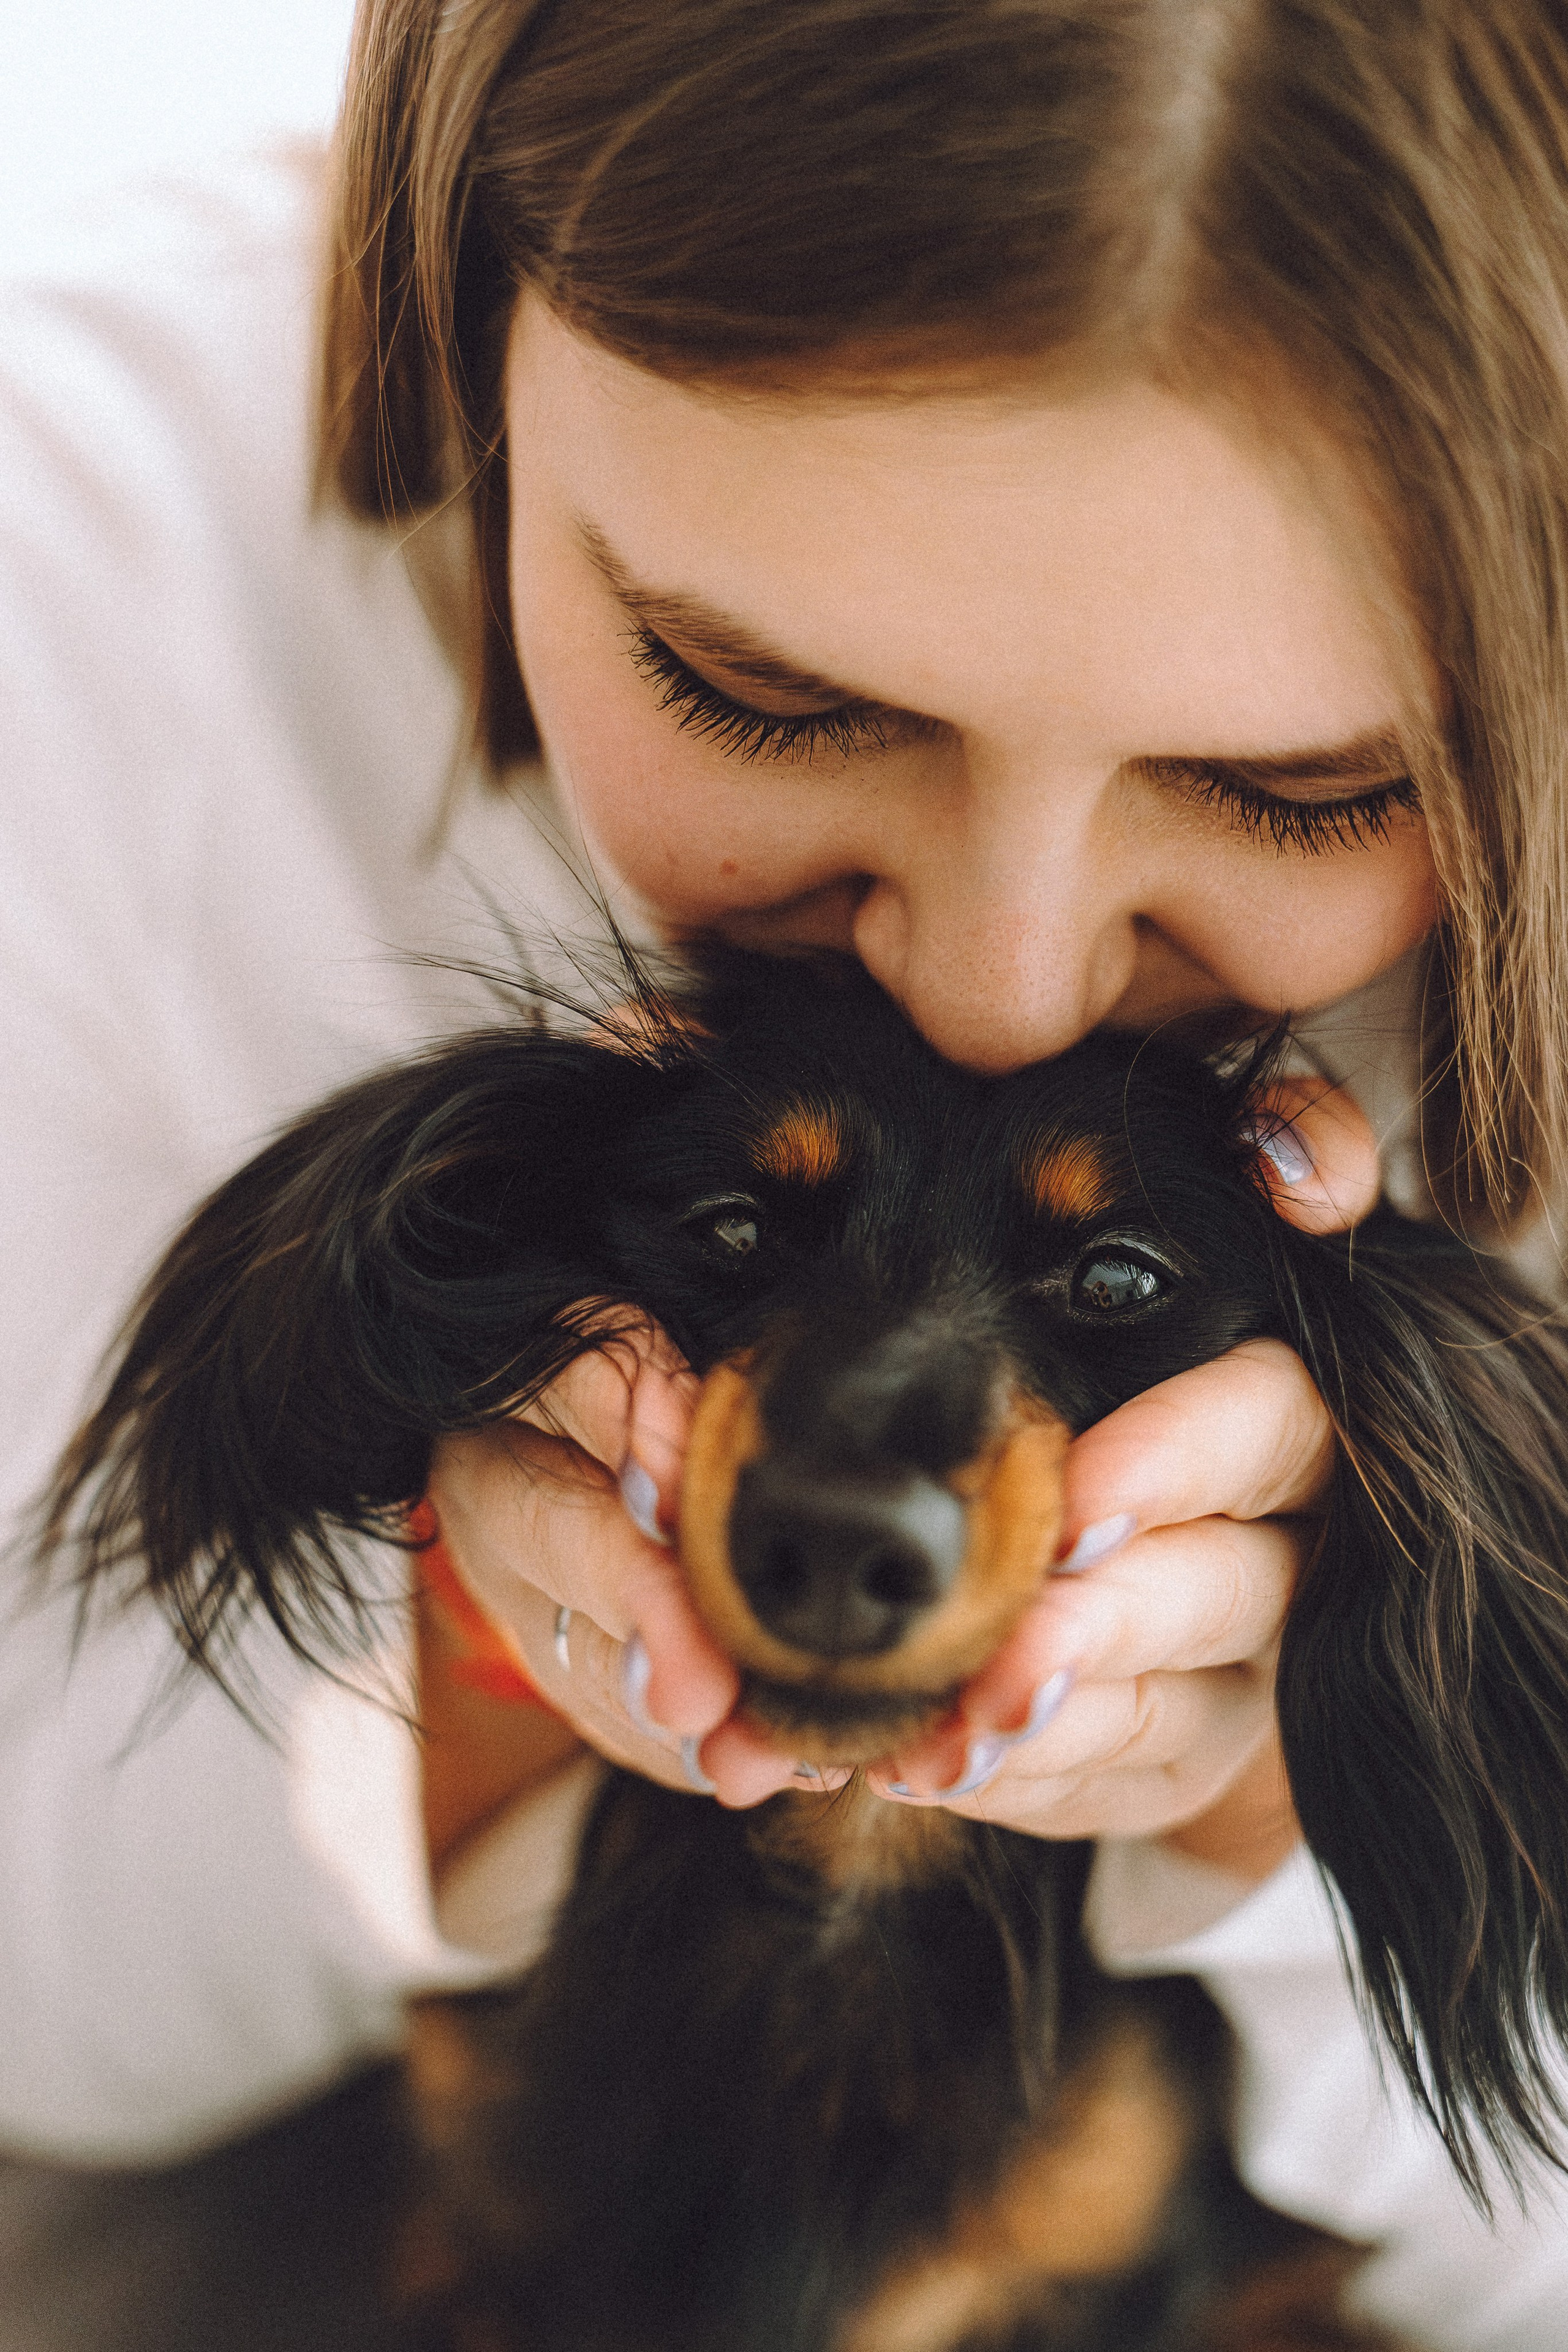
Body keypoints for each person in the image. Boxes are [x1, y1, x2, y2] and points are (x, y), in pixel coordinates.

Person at [4, 1, 1568, 2342]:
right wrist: (467, 1663)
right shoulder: (94, 545)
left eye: (1309, 788)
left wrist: (1313, 1794)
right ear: (470, 331)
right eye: (760, 693)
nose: (1003, 992)